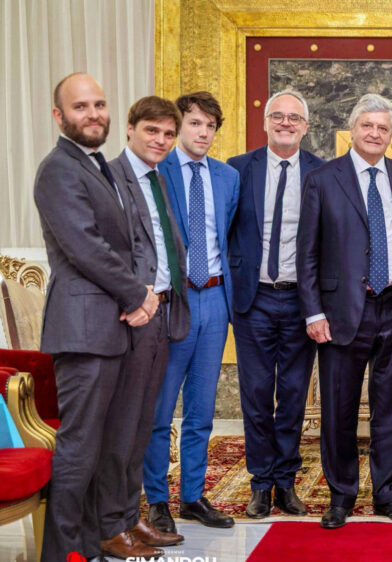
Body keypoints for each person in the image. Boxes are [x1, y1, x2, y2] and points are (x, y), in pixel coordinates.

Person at [35, 72, 161, 561]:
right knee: (80, 448)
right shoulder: (58, 169)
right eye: (81, 106)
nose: (93, 114)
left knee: (103, 445)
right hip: (84, 329)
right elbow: (86, 247)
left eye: (99, 104)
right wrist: (138, 295)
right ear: (59, 116)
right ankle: (62, 554)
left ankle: (89, 545)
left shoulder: (93, 165)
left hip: (108, 328)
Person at [297, 93, 392, 530]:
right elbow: (307, 254)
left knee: (391, 410)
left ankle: (388, 496)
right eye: (367, 126)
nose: (375, 134)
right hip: (339, 312)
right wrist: (313, 312)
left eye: (383, 128)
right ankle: (341, 496)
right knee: (339, 409)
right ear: (353, 129)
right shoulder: (321, 179)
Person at [144, 91, 240, 532]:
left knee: (201, 409)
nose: (204, 133)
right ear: (178, 125)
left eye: (211, 126)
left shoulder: (227, 177)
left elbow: (228, 235)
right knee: (161, 410)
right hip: (171, 302)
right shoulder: (155, 171)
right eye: (196, 123)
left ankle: (193, 497)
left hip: (215, 299)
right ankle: (157, 500)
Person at [227, 89, 325, 518]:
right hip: (254, 301)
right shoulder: (237, 170)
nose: (286, 123)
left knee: (292, 395)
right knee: (255, 394)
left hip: (302, 302)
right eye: (278, 116)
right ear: (265, 121)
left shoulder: (323, 174)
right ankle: (260, 483)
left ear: (306, 126)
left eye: (295, 118)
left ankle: (286, 482)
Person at [104, 95, 191, 554]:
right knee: (121, 427)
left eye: (168, 134)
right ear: (131, 129)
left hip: (160, 312)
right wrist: (134, 297)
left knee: (141, 424)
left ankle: (129, 518)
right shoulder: (111, 178)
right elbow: (104, 249)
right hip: (131, 315)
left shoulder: (157, 178)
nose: (160, 140)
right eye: (151, 131)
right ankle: (110, 525)